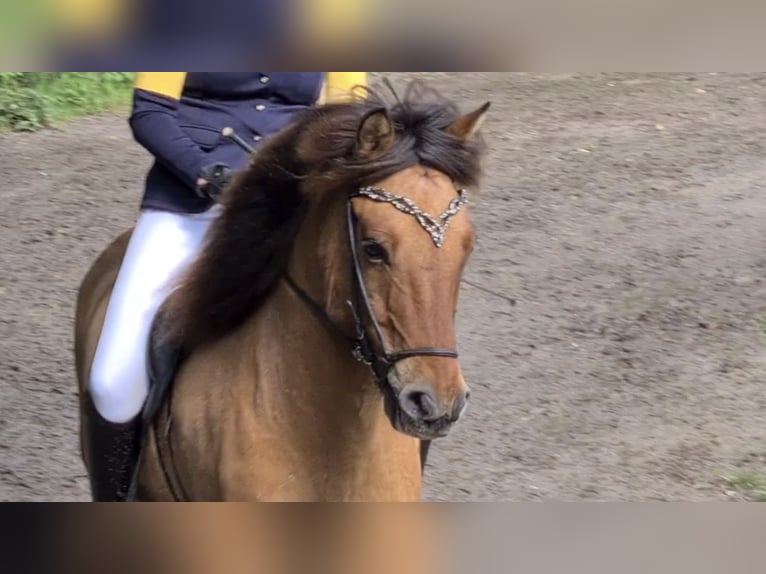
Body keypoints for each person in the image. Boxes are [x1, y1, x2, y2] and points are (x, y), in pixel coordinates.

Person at [85, 72, 368, 501]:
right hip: (191, 204)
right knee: (112, 383)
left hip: (293, 207)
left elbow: (351, 118)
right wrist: (202, 174)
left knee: (397, 341)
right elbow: (149, 113)